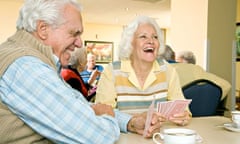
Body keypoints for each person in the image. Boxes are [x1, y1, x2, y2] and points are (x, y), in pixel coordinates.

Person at [0, 1, 162, 143]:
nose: (79, 43)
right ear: (43, 29)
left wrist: (130, 122)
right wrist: (109, 115)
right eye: (74, 33)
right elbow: (97, 137)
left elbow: (77, 106)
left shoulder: (36, 61)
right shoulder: (26, 67)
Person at [95, 16, 191, 126]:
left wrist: (183, 115)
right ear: (130, 43)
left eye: (155, 37)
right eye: (143, 37)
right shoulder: (112, 71)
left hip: (159, 137)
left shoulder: (167, 69)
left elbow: (183, 109)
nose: (151, 41)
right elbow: (102, 115)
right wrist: (135, 122)